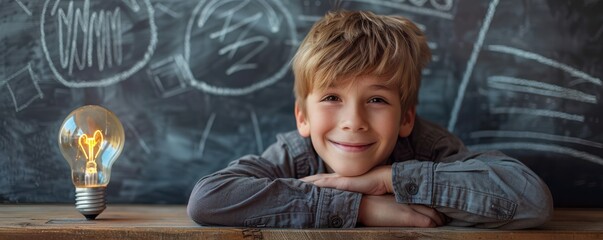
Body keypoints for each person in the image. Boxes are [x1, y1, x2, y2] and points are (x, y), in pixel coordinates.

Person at [187, 10, 553, 229]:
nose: (353, 121)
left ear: (405, 117)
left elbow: (531, 200)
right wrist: (362, 208)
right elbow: (208, 199)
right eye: (332, 98)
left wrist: (386, 180)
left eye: (376, 99)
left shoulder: (427, 147)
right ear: (303, 117)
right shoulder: (295, 154)